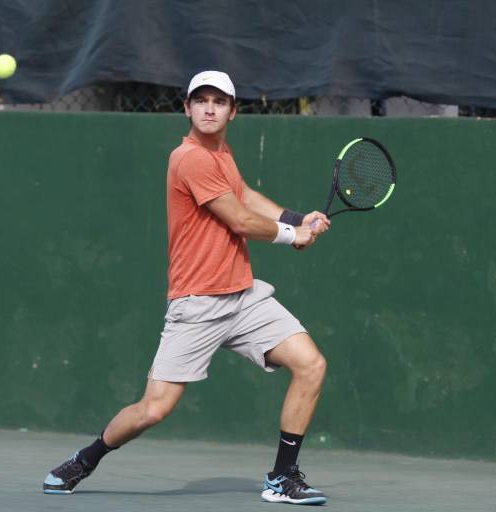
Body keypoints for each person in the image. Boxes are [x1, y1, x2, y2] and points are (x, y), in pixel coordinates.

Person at [42, 70, 331, 505]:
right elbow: (237, 219)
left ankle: (282, 477)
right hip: (197, 304)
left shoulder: (222, 154)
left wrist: (296, 219)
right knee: (153, 409)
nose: (209, 108)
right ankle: (85, 458)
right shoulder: (191, 158)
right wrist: (293, 236)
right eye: (201, 100)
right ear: (187, 109)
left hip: (243, 295)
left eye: (219, 101)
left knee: (310, 364)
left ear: (233, 111)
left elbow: (245, 195)